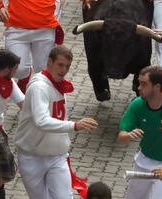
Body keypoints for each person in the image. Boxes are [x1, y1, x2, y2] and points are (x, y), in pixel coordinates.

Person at [14, 46, 99, 199]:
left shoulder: (58, 85)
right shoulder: (39, 87)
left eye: (67, 66)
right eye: (60, 65)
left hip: (57, 156)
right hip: (32, 156)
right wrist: (74, 126)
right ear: (49, 62)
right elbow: (41, 121)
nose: (64, 70)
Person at [117, 65, 162, 199]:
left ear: (157, 86)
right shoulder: (137, 105)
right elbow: (121, 137)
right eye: (139, 83)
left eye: (144, 84)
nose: (139, 88)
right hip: (143, 162)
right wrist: (128, 136)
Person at [0, 49, 24, 199]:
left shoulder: (8, 82)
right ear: (7, 69)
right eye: (15, 69)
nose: (17, 72)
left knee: (6, 172)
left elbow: (24, 104)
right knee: (5, 171)